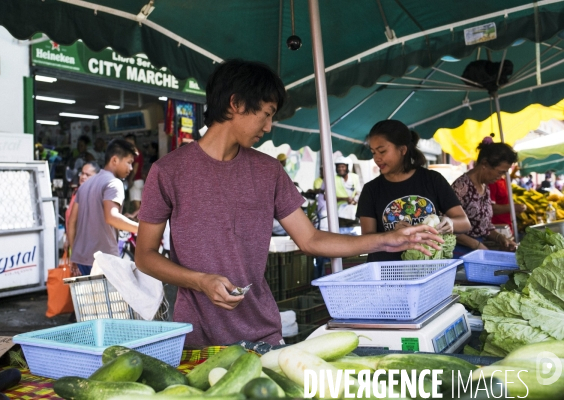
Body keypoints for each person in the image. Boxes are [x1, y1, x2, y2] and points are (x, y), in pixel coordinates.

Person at [134, 59, 443, 348]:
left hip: (262, 334)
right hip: (197, 339)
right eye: (266, 113)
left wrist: (388, 240)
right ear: (236, 103)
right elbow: (145, 256)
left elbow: (310, 239)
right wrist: (200, 282)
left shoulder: (269, 171)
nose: (269, 126)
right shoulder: (169, 171)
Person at [357, 120, 471, 262]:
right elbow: (366, 241)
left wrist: (450, 223)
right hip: (386, 271)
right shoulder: (371, 190)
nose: (376, 158)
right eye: (373, 152)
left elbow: (465, 223)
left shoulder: (432, 179)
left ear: (403, 150)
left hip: (427, 269)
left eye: (382, 151)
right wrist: (392, 233)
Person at [68, 139, 139, 276]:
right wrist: (141, 229)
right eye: (129, 162)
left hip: (82, 259)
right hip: (104, 260)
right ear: (114, 160)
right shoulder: (114, 183)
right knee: (109, 297)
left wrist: (74, 254)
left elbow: (72, 222)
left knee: (89, 298)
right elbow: (112, 217)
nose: (131, 168)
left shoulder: (86, 185)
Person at [451, 137, 518, 256]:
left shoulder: (485, 187)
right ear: (485, 164)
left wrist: (500, 238)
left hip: (478, 250)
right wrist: (476, 245)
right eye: (500, 171)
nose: (501, 176)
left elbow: (484, 227)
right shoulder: (461, 187)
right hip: (460, 253)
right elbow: (447, 227)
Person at [64, 161, 100, 256]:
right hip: (75, 245)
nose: (83, 177)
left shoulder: (95, 196)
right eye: (82, 173)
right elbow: (69, 218)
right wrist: (68, 238)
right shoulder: (76, 193)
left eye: (87, 175)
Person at [124, 134, 145, 216]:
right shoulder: (138, 152)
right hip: (139, 181)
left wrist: (130, 180)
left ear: (132, 141)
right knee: (140, 206)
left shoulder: (135, 153)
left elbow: (135, 168)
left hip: (135, 181)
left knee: (137, 207)